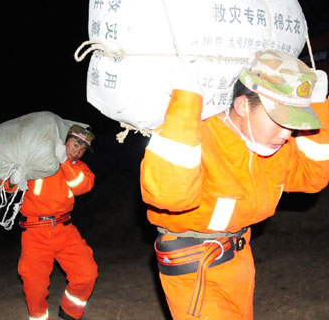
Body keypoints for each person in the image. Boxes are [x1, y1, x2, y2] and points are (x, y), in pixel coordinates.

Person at [140, 50, 329, 319]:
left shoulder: (271, 147)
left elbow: (311, 179)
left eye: (293, 124)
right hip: (195, 267)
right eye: (278, 119)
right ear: (242, 105)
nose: (286, 134)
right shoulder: (197, 135)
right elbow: (169, 196)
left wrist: (319, 106)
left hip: (239, 261)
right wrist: (186, 100)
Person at [0, 124, 98, 320]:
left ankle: (70, 312)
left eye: (83, 149)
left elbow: (82, 186)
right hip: (35, 232)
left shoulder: (81, 169)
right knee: (34, 283)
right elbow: (6, 188)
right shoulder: (38, 160)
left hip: (65, 230)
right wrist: (13, 180)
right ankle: (39, 317)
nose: (78, 151)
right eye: (75, 144)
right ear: (64, 140)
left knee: (87, 272)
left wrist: (64, 161)